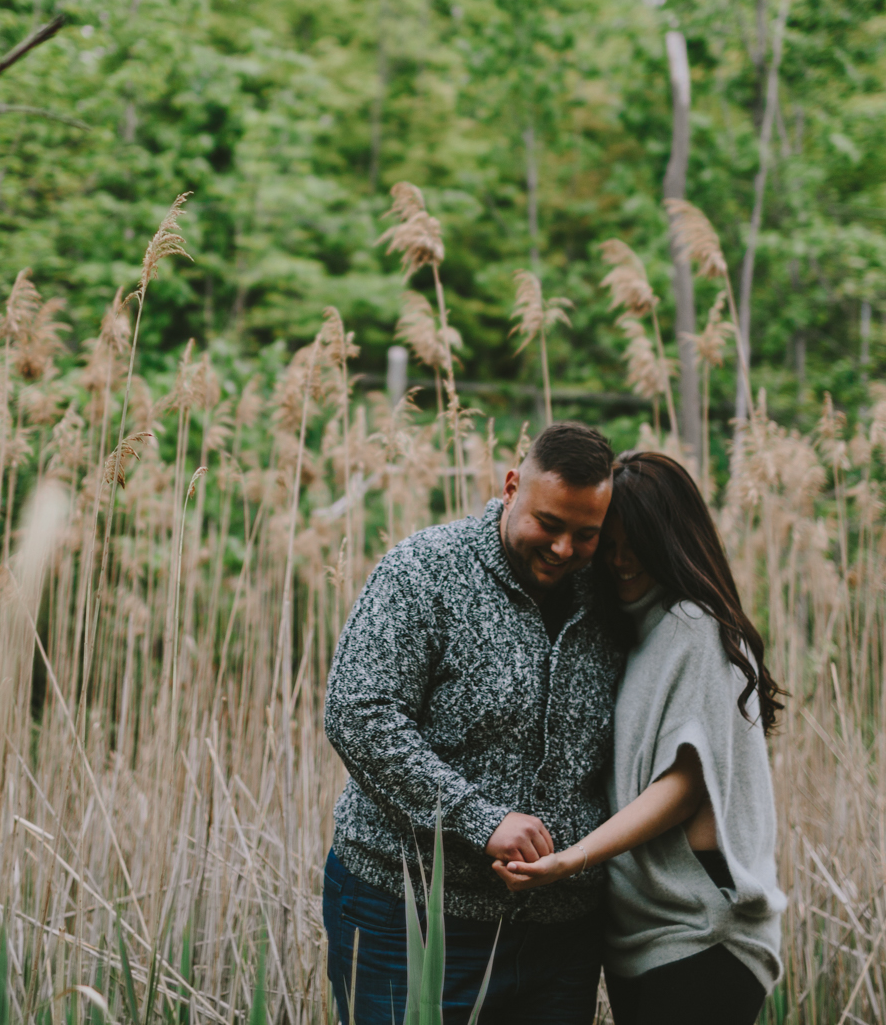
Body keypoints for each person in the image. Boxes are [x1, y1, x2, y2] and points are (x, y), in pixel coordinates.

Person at [320, 420, 622, 1025]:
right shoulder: (424, 571)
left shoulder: (612, 594)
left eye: (585, 534)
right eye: (550, 524)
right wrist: (482, 820)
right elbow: (357, 714)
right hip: (408, 918)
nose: (564, 549)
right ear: (512, 487)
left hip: (562, 936)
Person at [496, 450, 786, 1025]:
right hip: (645, 938)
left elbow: (683, 785)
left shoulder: (694, 626)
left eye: (641, 543)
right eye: (611, 542)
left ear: (675, 542)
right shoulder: (637, 633)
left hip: (701, 935)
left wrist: (571, 860)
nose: (623, 560)